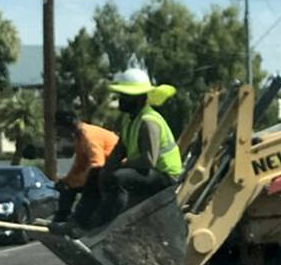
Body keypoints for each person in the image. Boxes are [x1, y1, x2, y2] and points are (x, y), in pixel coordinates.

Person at [98, 68, 183, 224]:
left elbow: (148, 161)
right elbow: (120, 149)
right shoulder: (129, 120)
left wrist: (121, 166)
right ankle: (83, 222)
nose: (121, 99)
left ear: (138, 99)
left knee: (118, 178)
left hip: (165, 176)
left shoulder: (148, 122)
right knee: (97, 174)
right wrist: (105, 169)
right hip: (146, 172)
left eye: (126, 96)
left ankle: (110, 223)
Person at [53, 110, 119, 225]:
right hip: (103, 170)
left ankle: (82, 219)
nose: (60, 133)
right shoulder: (79, 138)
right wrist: (66, 181)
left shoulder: (88, 136)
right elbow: (79, 165)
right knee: (67, 187)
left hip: (115, 168)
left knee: (91, 180)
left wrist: (80, 181)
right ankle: (62, 216)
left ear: (68, 126)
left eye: (61, 129)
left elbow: (97, 163)